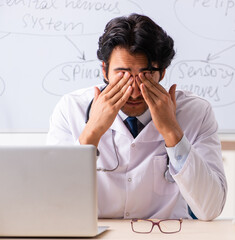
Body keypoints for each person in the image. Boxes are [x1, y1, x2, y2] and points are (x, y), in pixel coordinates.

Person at [47, 13, 227, 220]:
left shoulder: (196, 112)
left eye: (146, 75)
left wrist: (172, 132)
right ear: (104, 71)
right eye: (122, 75)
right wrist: (92, 133)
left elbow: (211, 208)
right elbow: (54, 204)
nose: (133, 91)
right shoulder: (71, 108)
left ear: (163, 73)